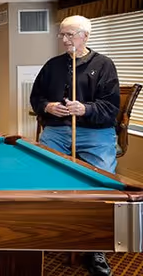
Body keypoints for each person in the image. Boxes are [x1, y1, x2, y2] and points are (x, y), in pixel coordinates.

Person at [30, 15, 119, 276]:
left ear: (85, 36)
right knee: (40, 171)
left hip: (94, 133)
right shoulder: (53, 65)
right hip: (58, 131)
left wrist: (85, 109)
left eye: (70, 35)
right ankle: (46, 230)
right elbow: (36, 97)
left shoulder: (104, 65)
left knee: (103, 182)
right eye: (62, 35)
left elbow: (111, 108)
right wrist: (48, 107)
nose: (65, 40)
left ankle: (96, 246)